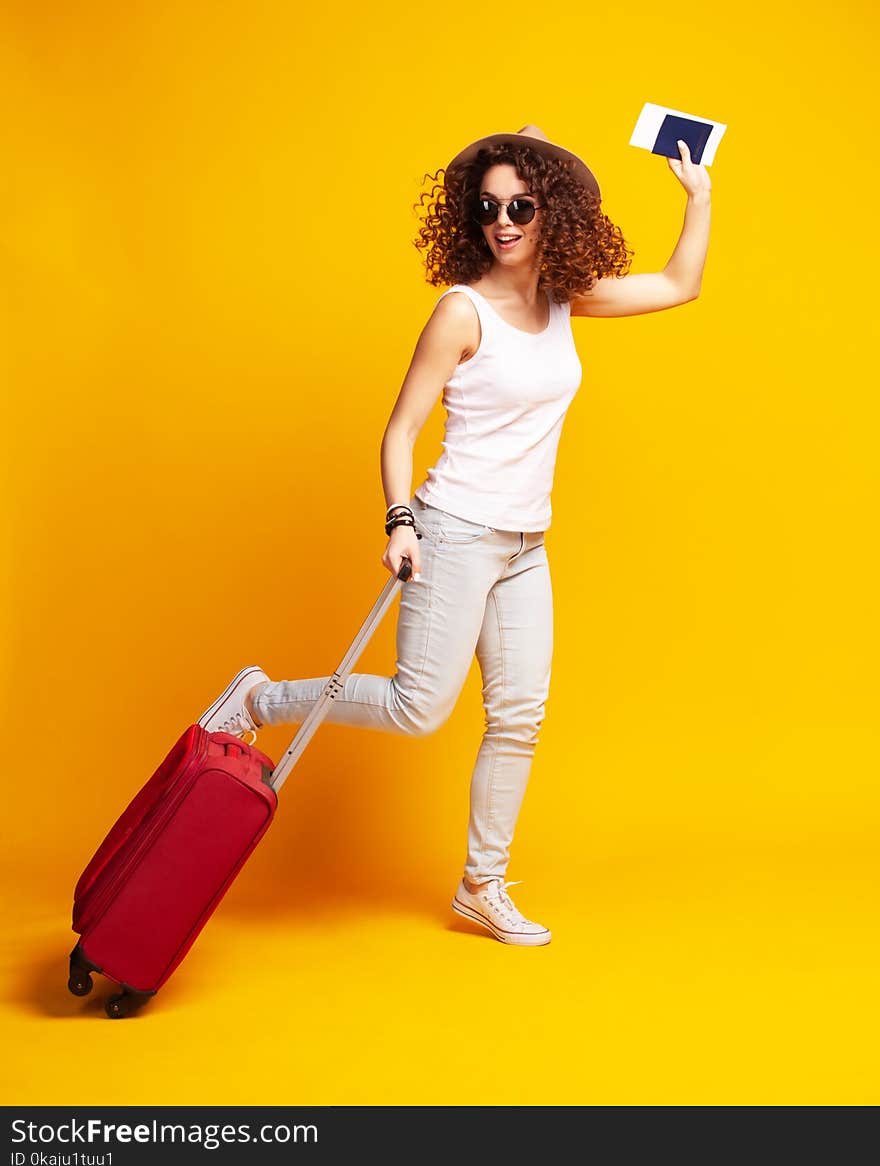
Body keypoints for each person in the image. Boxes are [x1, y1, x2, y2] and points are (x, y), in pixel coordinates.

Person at [196, 125, 712, 947]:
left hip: (523, 544)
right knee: (416, 707)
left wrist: (699, 196)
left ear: (554, 213)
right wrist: (402, 520)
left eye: (520, 205)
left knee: (519, 716)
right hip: (455, 530)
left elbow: (680, 285)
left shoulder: (562, 296)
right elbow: (400, 430)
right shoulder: (460, 312)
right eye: (486, 207)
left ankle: (482, 885)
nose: (501, 221)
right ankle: (256, 699)